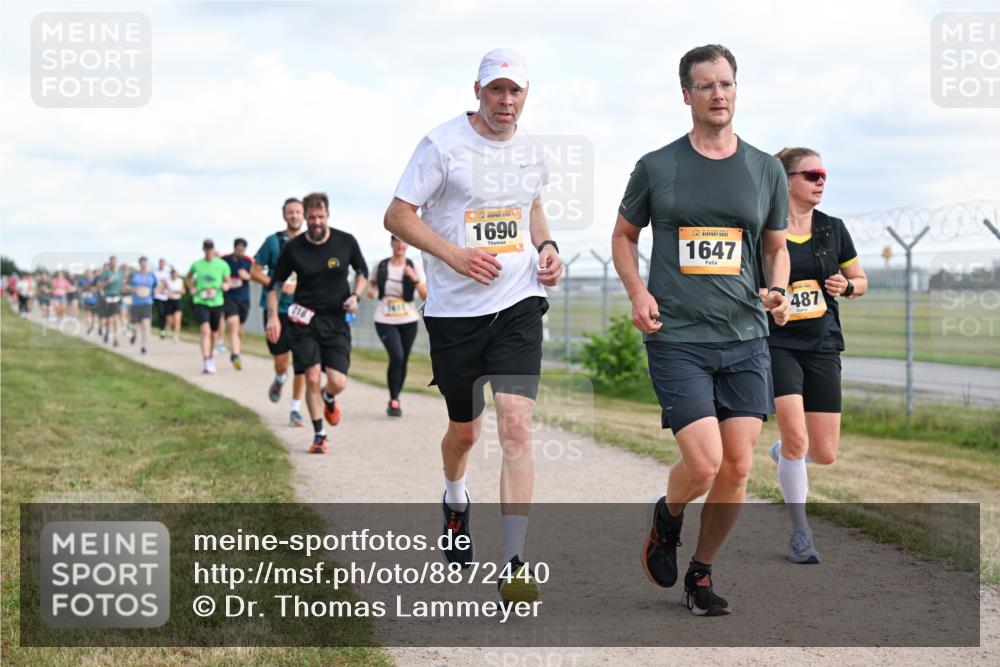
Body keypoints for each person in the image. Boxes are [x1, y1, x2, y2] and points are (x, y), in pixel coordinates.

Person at [611, 44, 791, 616]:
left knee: (738, 467)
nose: (719, 94)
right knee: (706, 463)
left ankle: (701, 574)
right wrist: (638, 292)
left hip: (745, 336)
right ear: (686, 94)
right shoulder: (657, 166)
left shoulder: (764, 168)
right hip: (677, 337)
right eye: (706, 85)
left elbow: (775, 248)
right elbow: (623, 237)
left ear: (737, 90)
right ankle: (667, 516)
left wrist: (779, 292)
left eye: (727, 84)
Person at [385, 48, 563, 604]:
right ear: (478, 91)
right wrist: (456, 256)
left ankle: (513, 561)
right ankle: (455, 497)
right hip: (455, 313)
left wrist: (548, 245)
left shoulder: (533, 151)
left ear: (526, 95)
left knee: (515, 425)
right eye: (496, 90)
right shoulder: (441, 145)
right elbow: (397, 215)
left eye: (515, 91)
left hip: (517, 303)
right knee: (465, 431)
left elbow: (530, 205)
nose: (506, 101)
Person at [762, 147, 868, 564]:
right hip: (778, 343)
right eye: (812, 174)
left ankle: (786, 452)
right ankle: (801, 533)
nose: (821, 180)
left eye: (823, 174)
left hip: (823, 344)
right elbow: (752, 282)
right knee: (797, 438)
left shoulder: (832, 229)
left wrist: (851, 286)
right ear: (787, 180)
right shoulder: (764, 232)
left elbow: (861, 278)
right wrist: (768, 298)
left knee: (823, 453)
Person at [266, 192, 368, 454]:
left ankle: (329, 396)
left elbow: (362, 272)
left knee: (338, 381)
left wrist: (355, 296)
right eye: (311, 217)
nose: (316, 221)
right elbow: (275, 284)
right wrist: (273, 316)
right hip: (303, 321)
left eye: (320, 216)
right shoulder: (294, 247)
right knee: (311, 377)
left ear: (327, 215)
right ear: (306, 218)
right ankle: (319, 434)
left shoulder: (345, 242)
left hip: (335, 321)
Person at [252, 197, 308, 427]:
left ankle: (295, 408)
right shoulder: (273, 242)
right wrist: (276, 283)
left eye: (298, 212)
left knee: (303, 360)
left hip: (303, 310)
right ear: (284, 215)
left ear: (303, 215)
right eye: (290, 212)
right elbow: (254, 271)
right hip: (277, 309)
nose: (294, 215)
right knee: (282, 361)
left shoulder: (311, 242)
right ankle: (279, 377)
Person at [366, 235, 428, 416]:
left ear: (407, 245)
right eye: (396, 241)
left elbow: (425, 295)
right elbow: (371, 284)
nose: (400, 245)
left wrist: (414, 278)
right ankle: (393, 398)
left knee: (403, 359)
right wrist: (371, 290)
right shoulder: (382, 265)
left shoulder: (413, 266)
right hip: (384, 318)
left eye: (403, 241)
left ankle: (395, 399)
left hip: (408, 319)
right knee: (397, 356)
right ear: (391, 243)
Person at [187, 239, 231, 374]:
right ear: (203, 249)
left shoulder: (222, 264)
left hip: (217, 301)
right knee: (205, 330)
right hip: (201, 300)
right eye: (206, 248)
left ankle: (210, 357)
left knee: (213, 333)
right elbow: (188, 277)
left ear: (213, 249)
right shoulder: (197, 264)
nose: (209, 251)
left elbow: (227, 281)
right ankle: (206, 359)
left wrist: (226, 286)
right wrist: (191, 288)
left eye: (210, 248)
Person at [222, 238, 254, 370]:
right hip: (229, 298)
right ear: (234, 247)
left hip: (244, 299)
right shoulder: (225, 260)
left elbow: (257, 275)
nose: (240, 251)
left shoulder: (248, 261)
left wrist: (247, 276)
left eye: (243, 249)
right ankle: (235, 355)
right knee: (232, 323)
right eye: (238, 248)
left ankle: (237, 351)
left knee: (240, 327)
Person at [126, 256, 157, 354]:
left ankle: (144, 346)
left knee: (146, 324)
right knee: (136, 325)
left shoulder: (152, 275)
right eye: (142, 264)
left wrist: (156, 291)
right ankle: (134, 334)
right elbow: (124, 286)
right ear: (139, 264)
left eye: (146, 264)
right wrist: (133, 289)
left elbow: (157, 286)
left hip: (147, 303)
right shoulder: (134, 275)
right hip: (136, 303)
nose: (144, 266)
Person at [97, 256, 126, 346]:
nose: (114, 264)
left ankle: (115, 338)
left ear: (117, 263)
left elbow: (122, 285)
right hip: (108, 296)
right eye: (112, 262)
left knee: (116, 317)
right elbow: (99, 285)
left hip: (117, 296)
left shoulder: (120, 273)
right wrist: (107, 282)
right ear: (110, 263)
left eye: (115, 262)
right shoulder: (105, 273)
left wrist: (126, 289)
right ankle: (107, 332)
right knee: (109, 319)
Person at [164, 267, 186, 342]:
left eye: (175, 273)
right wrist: (168, 292)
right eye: (173, 273)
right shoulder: (167, 281)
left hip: (177, 301)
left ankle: (176, 336)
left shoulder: (180, 281)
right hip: (169, 301)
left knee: (178, 319)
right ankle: (168, 327)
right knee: (170, 320)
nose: (174, 275)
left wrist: (175, 292)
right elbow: (163, 290)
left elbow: (183, 291)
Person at [153, 258, 172, 338]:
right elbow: (153, 284)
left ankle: (165, 328)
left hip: (166, 296)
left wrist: (165, 284)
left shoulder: (167, 274)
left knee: (166, 314)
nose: (161, 265)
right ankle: (161, 329)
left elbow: (169, 286)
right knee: (161, 312)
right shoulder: (155, 273)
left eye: (163, 263)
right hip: (158, 296)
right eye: (160, 263)